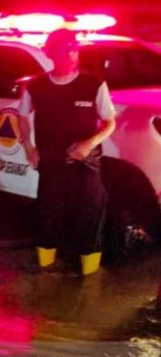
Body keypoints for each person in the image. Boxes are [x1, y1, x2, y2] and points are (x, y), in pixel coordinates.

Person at [18, 29, 116, 275]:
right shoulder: (37, 86)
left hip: (86, 166)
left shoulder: (93, 84)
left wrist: (89, 143)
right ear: (52, 54)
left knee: (90, 222)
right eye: (65, 51)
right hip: (51, 165)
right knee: (47, 221)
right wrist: (29, 147)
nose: (72, 55)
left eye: (74, 50)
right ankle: (45, 276)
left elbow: (109, 122)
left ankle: (90, 282)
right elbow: (22, 116)